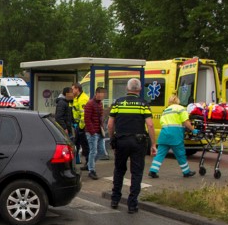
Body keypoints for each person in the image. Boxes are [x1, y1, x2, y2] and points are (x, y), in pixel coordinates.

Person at [107, 78, 156, 214]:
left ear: (127, 89)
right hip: (138, 142)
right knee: (136, 172)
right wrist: (153, 144)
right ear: (139, 89)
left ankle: (115, 199)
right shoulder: (143, 104)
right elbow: (150, 125)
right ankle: (132, 204)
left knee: (119, 170)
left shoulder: (118, 103)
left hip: (121, 141)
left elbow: (110, 124)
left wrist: (112, 139)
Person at [148, 95, 197, 178]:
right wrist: (193, 129)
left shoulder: (165, 110)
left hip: (164, 134)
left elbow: (162, 122)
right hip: (175, 134)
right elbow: (185, 122)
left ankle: (153, 170)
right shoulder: (180, 108)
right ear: (178, 101)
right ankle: (186, 172)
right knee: (180, 154)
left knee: (160, 154)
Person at [84, 86, 108, 180]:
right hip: (92, 132)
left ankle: (90, 164)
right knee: (93, 151)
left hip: (99, 131)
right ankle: (91, 170)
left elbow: (100, 117)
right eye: (101, 93)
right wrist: (92, 132)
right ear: (97, 93)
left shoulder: (100, 104)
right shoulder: (90, 104)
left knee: (101, 151)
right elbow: (87, 119)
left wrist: (102, 128)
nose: (103, 95)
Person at [71, 83, 89, 168]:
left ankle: (88, 163)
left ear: (77, 89)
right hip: (77, 125)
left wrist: (81, 127)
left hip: (83, 126)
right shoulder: (76, 98)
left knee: (85, 145)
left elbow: (84, 115)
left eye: (73, 89)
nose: (72, 91)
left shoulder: (83, 98)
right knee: (76, 144)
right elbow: (73, 109)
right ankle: (74, 163)